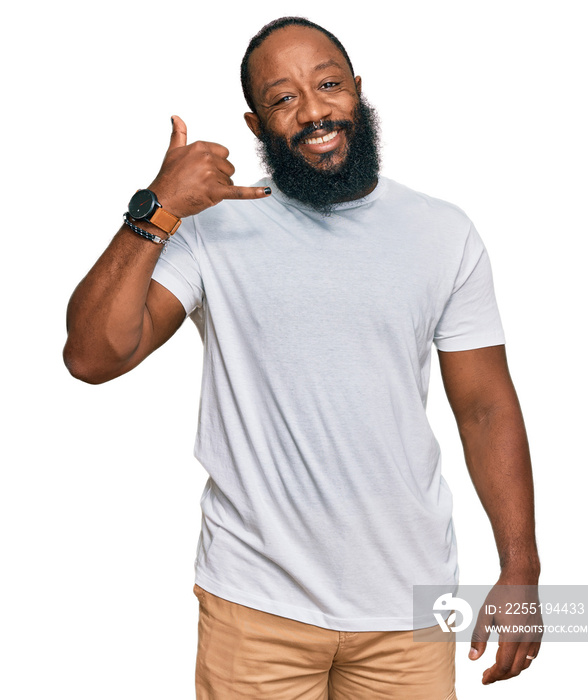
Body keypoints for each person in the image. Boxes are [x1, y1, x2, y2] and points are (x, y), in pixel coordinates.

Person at [63, 16, 541, 700]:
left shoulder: (443, 233)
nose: (315, 110)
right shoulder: (211, 227)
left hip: (409, 606)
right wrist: (157, 208)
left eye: (327, 85)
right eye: (284, 98)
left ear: (357, 92)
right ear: (257, 127)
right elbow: (92, 356)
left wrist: (519, 567)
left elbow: (485, 407)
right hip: (254, 606)